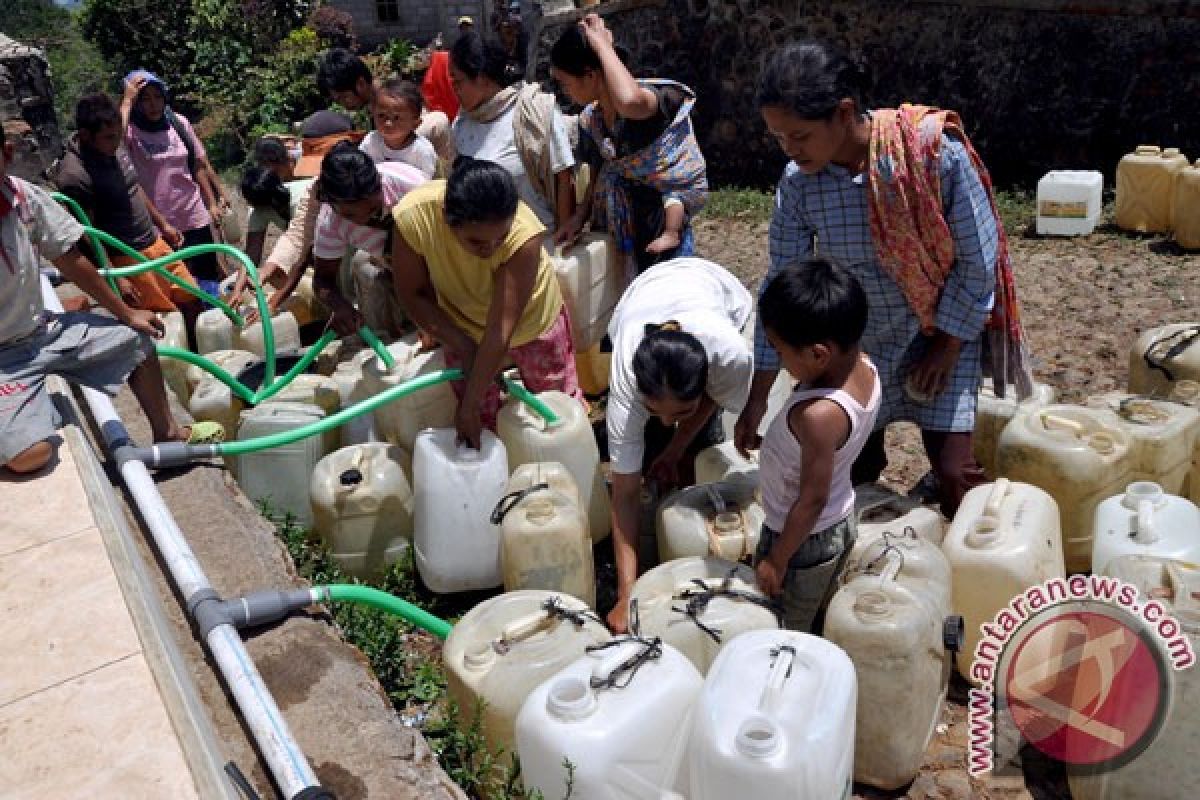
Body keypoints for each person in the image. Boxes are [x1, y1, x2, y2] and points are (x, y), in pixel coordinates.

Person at [736, 41, 1034, 518]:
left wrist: (948, 347)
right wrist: (757, 397)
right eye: (778, 139)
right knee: (849, 466)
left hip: (940, 330)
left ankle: (963, 566)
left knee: (956, 470)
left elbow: (978, 261)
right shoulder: (799, 184)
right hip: (857, 344)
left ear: (844, 112)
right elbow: (781, 287)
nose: (790, 150)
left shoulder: (934, 156)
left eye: (800, 135)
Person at [0, 125, 222, 475]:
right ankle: (27, 415)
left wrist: (126, 311)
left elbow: (69, 258)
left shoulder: (23, 199)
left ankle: (168, 432)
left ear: (6, 155)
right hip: (3, 361)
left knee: (139, 338)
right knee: (32, 455)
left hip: (41, 332)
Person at [604, 256, 754, 633]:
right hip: (644, 294)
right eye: (657, 410)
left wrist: (679, 446)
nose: (671, 420)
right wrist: (626, 596)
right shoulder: (625, 381)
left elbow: (714, 398)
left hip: (715, 286)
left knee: (704, 442)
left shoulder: (729, 355)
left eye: (682, 409)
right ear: (640, 394)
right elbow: (623, 495)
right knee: (646, 453)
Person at [390, 158, 584, 447]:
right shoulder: (415, 217)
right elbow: (412, 292)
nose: (491, 249)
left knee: (555, 409)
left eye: (500, 239)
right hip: (461, 324)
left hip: (530, 320)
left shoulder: (523, 234)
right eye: (476, 242)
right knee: (484, 420)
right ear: (446, 217)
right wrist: (462, 345)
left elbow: (501, 329)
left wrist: (469, 403)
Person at [753, 258, 881, 633]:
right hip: (837, 522)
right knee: (817, 609)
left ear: (818, 354)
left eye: (780, 352)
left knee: (783, 627)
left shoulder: (820, 416)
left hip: (800, 540)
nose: (779, 359)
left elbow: (811, 498)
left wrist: (777, 560)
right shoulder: (866, 367)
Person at [550, 15, 708, 277]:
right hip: (621, 238)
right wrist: (578, 218)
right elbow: (602, 168)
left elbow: (629, 101)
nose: (564, 92)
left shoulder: (649, 102)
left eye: (566, 84)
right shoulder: (593, 120)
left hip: (663, 241)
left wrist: (601, 46)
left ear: (590, 76)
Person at [53, 93, 203, 334]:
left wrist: (162, 223)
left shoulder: (115, 143)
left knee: (192, 299)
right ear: (85, 136)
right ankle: (180, 368)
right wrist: (117, 277)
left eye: (118, 135)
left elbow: (133, 185)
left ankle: (204, 357)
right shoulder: (74, 176)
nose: (116, 142)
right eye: (109, 137)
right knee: (163, 321)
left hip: (155, 243)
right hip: (127, 258)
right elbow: (86, 233)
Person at [228, 112, 363, 310]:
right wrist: (260, 275)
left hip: (374, 249)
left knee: (361, 267)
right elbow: (298, 235)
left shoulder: (375, 171)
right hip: (337, 248)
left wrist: (278, 297)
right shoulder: (316, 189)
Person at [448, 32, 576, 237]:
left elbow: (564, 177)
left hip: (536, 243)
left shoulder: (534, 112)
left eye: (458, 82)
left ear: (481, 78)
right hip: (481, 248)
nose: (453, 89)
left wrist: (562, 236)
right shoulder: (462, 122)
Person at [120, 70, 230, 298]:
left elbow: (198, 163)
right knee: (178, 284)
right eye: (145, 98)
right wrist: (127, 100)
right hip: (159, 223)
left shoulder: (178, 123)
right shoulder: (129, 132)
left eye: (157, 97)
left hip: (192, 213)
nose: (153, 105)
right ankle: (192, 327)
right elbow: (113, 148)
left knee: (207, 276)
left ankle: (213, 321)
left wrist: (211, 203)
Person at [302, 143, 428, 334]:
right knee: (364, 268)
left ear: (380, 184)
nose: (364, 220)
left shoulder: (412, 188)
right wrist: (339, 305)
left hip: (438, 257)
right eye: (350, 216)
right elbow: (323, 281)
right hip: (394, 267)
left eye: (372, 209)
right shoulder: (331, 223)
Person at [317, 48, 455, 163]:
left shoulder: (395, 99)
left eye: (344, 97)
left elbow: (433, 123)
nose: (342, 104)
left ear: (360, 84)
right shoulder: (371, 107)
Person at [359, 78, 439, 179]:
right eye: (381, 116)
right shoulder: (370, 142)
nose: (388, 123)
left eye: (396, 118)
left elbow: (427, 185)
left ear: (415, 124)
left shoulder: (422, 151)